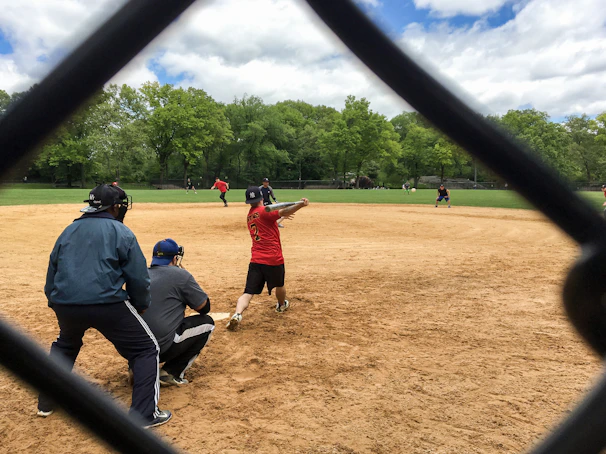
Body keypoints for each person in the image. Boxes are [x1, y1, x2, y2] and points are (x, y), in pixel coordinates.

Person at [38, 184, 171, 428]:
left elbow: (52, 269)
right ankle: (144, 414)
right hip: (106, 303)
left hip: (65, 303)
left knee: (66, 344)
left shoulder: (68, 230)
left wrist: (54, 301)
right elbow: (138, 277)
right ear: (115, 207)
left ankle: (46, 402)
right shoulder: (121, 232)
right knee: (146, 349)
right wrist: (140, 304)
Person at [226, 187, 309, 330]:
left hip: (256, 260)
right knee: (280, 284)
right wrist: (301, 204)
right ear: (261, 198)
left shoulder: (250, 215)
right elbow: (284, 211)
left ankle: (237, 314)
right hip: (273, 259)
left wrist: (281, 217)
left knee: (248, 292)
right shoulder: (265, 211)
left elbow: (269, 224)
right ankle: (281, 305)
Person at [141, 239, 214, 386]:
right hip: (161, 347)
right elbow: (204, 308)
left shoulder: (141, 274)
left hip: (135, 348)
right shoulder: (180, 275)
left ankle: (136, 370)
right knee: (207, 323)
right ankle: (171, 372)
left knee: (143, 326)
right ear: (175, 258)